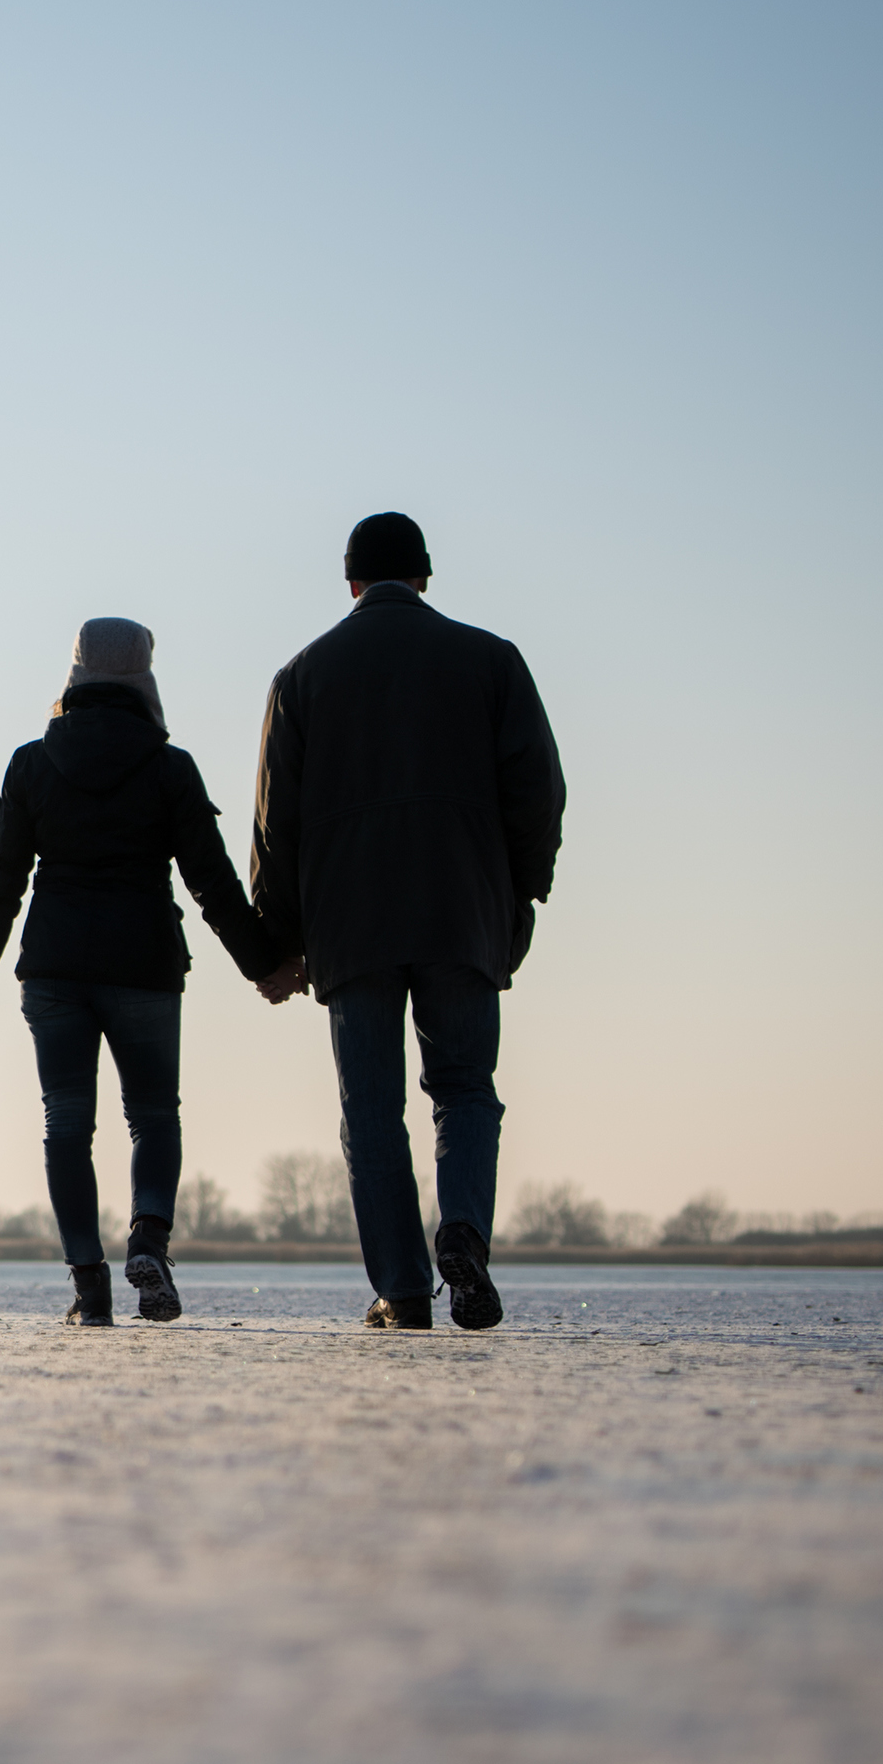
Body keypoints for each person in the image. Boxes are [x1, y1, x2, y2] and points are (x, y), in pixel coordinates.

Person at [249, 513, 566, 1330]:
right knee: (464, 1089)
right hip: (462, 910)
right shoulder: (491, 661)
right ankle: (459, 1230)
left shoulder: (302, 676)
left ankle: (399, 1289)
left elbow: (274, 825)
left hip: (348, 926)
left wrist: (274, 942)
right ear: (424, 576)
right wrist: (520, 895)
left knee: (371, 1108)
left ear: (349, 582)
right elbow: (537, 793)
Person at [0, 617, 289, 1325]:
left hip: (54, 968)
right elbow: (212, 882)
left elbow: (1, 879)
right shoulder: (169, 767)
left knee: (66, 1123)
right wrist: (263, 965)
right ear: (143, 675)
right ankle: (148, 1237)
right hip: (142, 963)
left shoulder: (32, 764)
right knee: (152, 1116)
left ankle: (89, 1284)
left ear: (74, 672)